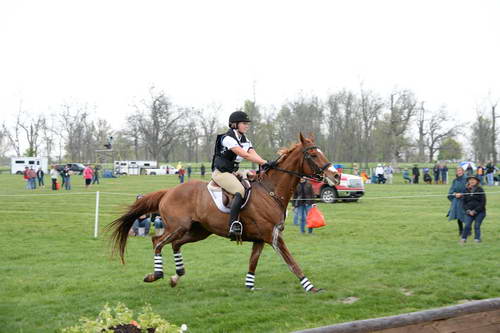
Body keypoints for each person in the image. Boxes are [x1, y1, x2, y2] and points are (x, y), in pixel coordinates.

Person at [211, 110, 269, 239]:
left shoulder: (245, 139)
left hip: (233, 172)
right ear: (234, 124)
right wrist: (264, 162)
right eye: (244, 123)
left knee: (253, 184)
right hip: (221, 173)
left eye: (247, 123)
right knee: (240, 190)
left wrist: (266, 163)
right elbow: (245, 155)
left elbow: (253, 153)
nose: (247, 125)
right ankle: (232, 224)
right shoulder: (227, 138)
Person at [460, 175, 486, 244]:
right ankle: (463, 239)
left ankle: (477, 239)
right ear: (468, 181)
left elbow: (483, 202)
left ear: (477, 181)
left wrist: (475, 211)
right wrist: (468, 211)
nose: (472, 181)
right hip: (469, 212)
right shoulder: (465, 190)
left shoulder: (480, 190)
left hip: (480, 212)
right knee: (467, 225)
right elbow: (463, 203)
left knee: (477, 225)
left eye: (473, 180)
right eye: (470, 180)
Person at [447, 166, 467, 237]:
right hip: (457, 201)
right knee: (459, 216)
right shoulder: (455, 180)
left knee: (467, 215)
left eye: (460, 170)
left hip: (465, 200)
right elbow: (451, 190)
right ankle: (461, 231)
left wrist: (462, 194)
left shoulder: (467, 179)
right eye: (457, 171)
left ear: (463, 171)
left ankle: (468, 229)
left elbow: (469, 189)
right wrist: (455, 194)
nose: (459, 172)